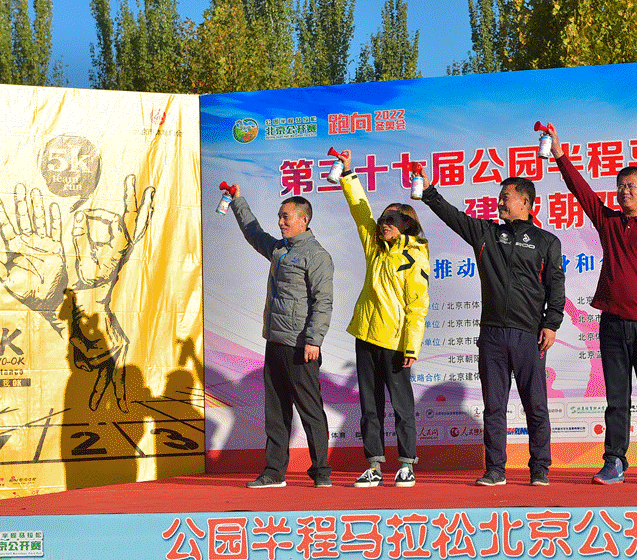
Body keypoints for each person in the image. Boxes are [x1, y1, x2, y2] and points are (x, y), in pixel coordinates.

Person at [546, 123, 637, 485]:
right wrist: (559, 153)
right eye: (620, 186)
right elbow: (581, 191)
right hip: (611, 324)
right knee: (616, 399)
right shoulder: (609, 223)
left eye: (631, 186)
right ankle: (615, 460)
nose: (624, 191)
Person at [416, 166, 564, 486]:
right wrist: (428, 193)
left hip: (529, 336)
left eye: (505, 197)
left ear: (525, 202)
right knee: (494, 407)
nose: (500, 202)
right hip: (492, 335)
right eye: (499, 197)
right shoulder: (486, 234)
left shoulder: (546, 242)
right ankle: (495, 469)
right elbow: (453, 217)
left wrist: (551, 324)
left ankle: (540, 467)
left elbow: (556, 288)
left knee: (536, 405)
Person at [336, 150, 429, 488]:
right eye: (384, 217)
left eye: (393, 218)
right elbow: (361, 210)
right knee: (369, 407)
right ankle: (373, 465)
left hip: (395, 342)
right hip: (365, 335)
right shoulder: (374, 247)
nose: (384, 222)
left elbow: (417, 305)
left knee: (402, 406)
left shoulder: (415, 256)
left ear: (408, 225)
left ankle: (406, 464)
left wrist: (411, 346)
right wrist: (348, 174)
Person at [230, 186, 334, 488]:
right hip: (275, 341)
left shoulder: (316, 255)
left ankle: (321, 471)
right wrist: (238, 201)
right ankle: (274, 471)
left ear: (303, 220)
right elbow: (254, 234)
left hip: (300, 346)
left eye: (286, 217)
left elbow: (323, 301)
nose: (280, 222)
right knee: (275, 411)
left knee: (310, 409)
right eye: (279, 216)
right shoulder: (280, 250)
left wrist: (314, 339)